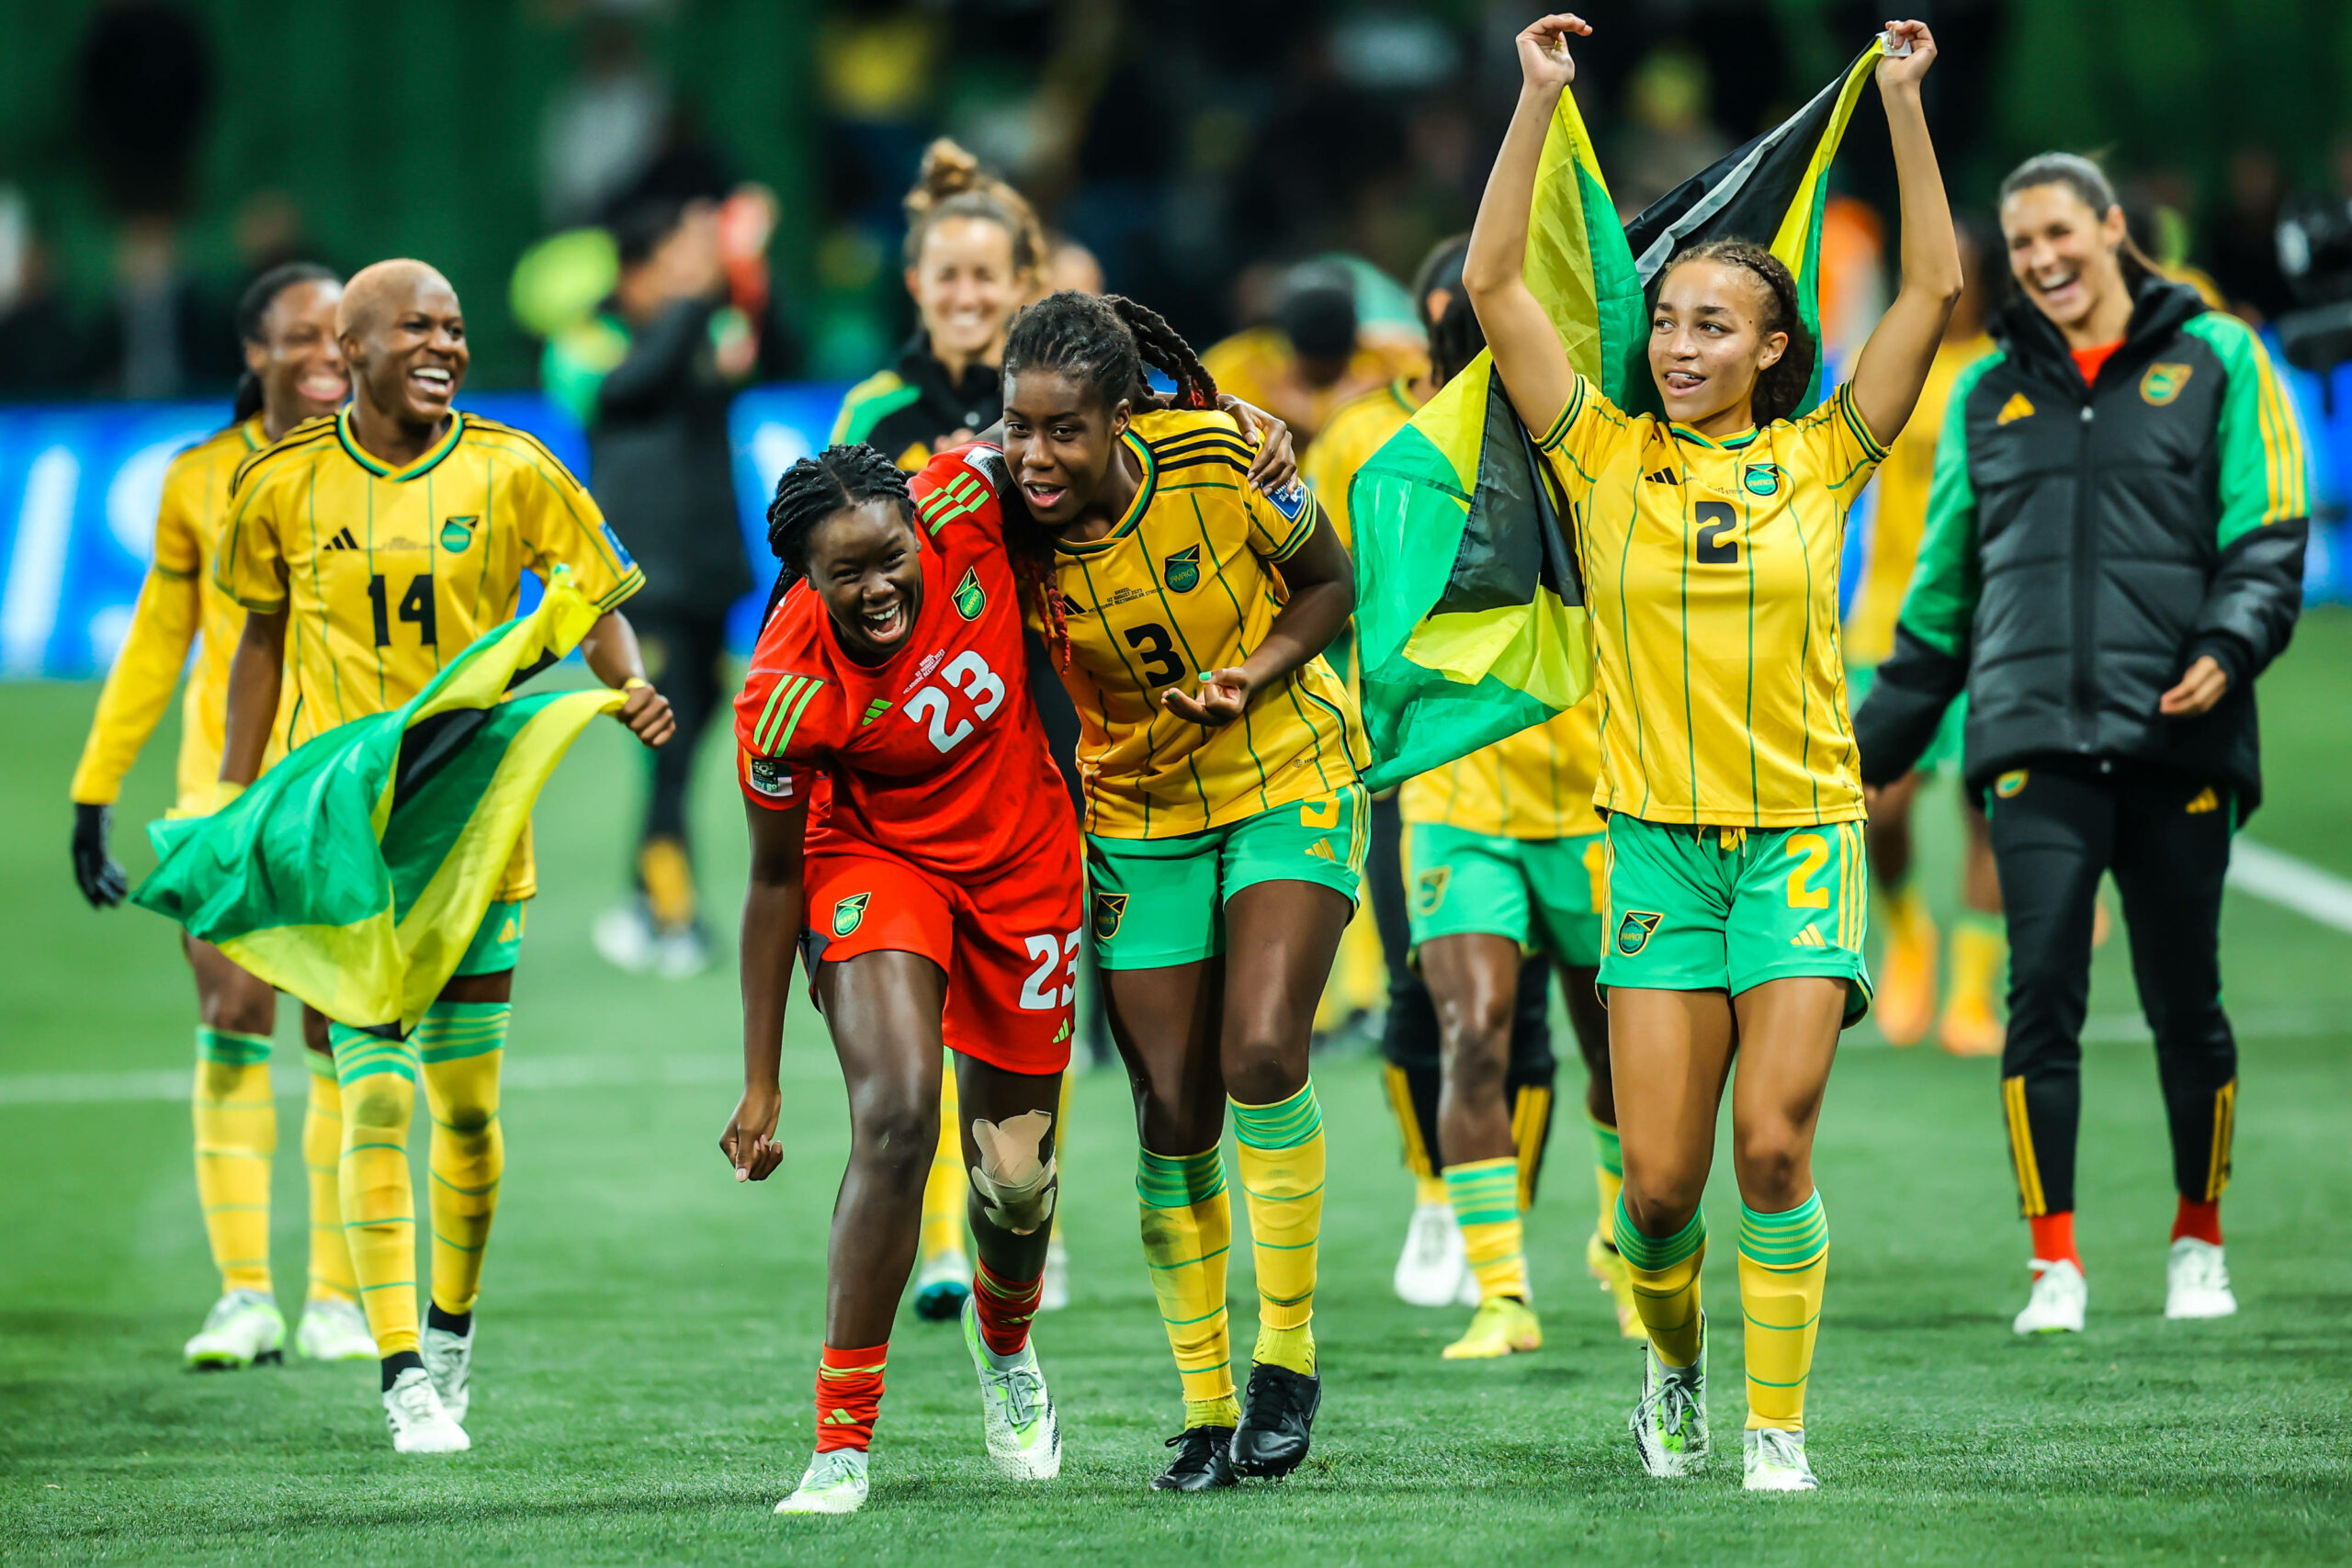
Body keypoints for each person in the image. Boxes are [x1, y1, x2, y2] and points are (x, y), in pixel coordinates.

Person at [1466, 15, 1958, 1492]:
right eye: (1667, 321)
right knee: (1664, 1194)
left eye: (1713, 326)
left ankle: (1775, 1425)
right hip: (1655, 851)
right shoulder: (1598, 453)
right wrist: (1540, 105)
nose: (1680, 346)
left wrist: (1902, 105)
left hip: (1803, 836)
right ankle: (1675, 1369)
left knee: (1771, 1151)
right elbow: (1495, 278)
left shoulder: (1830, 453)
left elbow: (1935, 281)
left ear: (1775, 348)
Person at [215, 258, 674, 1452]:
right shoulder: (280, 485)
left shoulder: (512, 468)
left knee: (466, 1112)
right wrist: (233, 792)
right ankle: (401, 1370)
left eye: (456, 329)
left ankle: (452, 1323)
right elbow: (259, 637)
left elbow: (595, 585)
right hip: (347, 851)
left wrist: (630, 686)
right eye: (416, 326)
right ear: (350, 347)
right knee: (375, 1095)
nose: (444, 345)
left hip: (474, 840)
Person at [1854, 152, 2309, 1337]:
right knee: (2037, 998)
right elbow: (1942, 599)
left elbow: (2267, 530)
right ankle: (2052, 1263)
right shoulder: (1984, 396)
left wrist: (2229, 643)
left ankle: (2196, 1242)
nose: (2043, 261)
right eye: (2023, 245)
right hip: (2032, 743)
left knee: (2185, 1005)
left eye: (2061, 233)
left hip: (2179, 741)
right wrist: (1863, 751)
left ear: (2110, 229)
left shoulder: (2219, 358)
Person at [997, 289, 1365, 1491]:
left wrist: (1253, 672)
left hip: (1285, 773)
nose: (1036, 456)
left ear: (1121, 416)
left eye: (1063, 429)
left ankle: (1286, 1358)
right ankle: (1207, 1410)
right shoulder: (1004, 514)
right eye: (1018, 428)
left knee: (1262, 1051)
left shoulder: (1221, 454)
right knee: (1172, 1108)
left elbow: (1329, 581)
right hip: (1137, 817)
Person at [720, 442, 1080, 1517]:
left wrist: (1226, 411)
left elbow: (1085, 407)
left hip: (1024, 861)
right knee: (897, 1114)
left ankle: (1005, 1345)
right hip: (874, 862)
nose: (878, 587)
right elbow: (773, 883)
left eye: (890, 558)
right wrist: (762, 1082)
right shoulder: (781, 699)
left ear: (915, 528)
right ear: (805, 578)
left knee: (1015, 1180)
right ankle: (840, 1445)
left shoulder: (967, 496)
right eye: (846, 574)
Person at [67, 261, 375, 1371]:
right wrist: (94, 785)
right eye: (303, 337)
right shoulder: (198, 479)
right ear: (254, 353)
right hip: (226, 795)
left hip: (344, 796)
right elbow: (157, 638)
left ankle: (340, 1296)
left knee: (338, 1030)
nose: (329, 356)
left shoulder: (386, 467)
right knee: (234, 1013)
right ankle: (246, 1292)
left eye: (343, 334)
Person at [1304, 236, 1608, 1320]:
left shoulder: (1582, 422)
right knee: (1438, 1004)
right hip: (1426, 774)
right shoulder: (1365, 438)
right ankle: (1450, 1215)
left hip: (1581, 779)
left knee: (1570, 1027)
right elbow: (1327, 587)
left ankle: (1590, 1242)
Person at [830, 138, 1075, 1324]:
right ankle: (943, 1233)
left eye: (989, 276)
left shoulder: (1058, 394)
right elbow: (834, 564)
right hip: (940, 737)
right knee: (922, 1010)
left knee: (1045, 995)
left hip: (1068, 707)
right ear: (915, 285)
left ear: (1024, 277)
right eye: (948, 277)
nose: (968, 295)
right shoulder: (877, 410)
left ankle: (1026, 1209)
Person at [1393, 291, 1634, 1359]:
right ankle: (1502, 1294)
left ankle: (1626, 1253)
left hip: (1592, 796)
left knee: (1617, 1048)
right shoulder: (1395, 447)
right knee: (1473, 1029)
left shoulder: (1604, 436)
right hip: (1457, 804)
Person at [545, 195, 756, 980]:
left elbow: (772, 352)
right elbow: (625, 390)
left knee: (695, 740)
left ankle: (643, 894)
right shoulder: (584, 339)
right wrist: (702, 297)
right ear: (638, 268)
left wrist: (744, 278)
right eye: (678, 257)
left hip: (710, 570)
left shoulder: (705, 323)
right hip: (642, 574)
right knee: (665, 751)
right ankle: (672, 915)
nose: (691, 275)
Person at [1843, 215, 2004, 1055]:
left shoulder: (2013, 376)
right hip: (1894, 624)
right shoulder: (1891, 364)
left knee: (1992, 805)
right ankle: (1909, 934)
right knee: (1880, 806)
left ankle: (1971, 993)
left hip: (1993, 627)